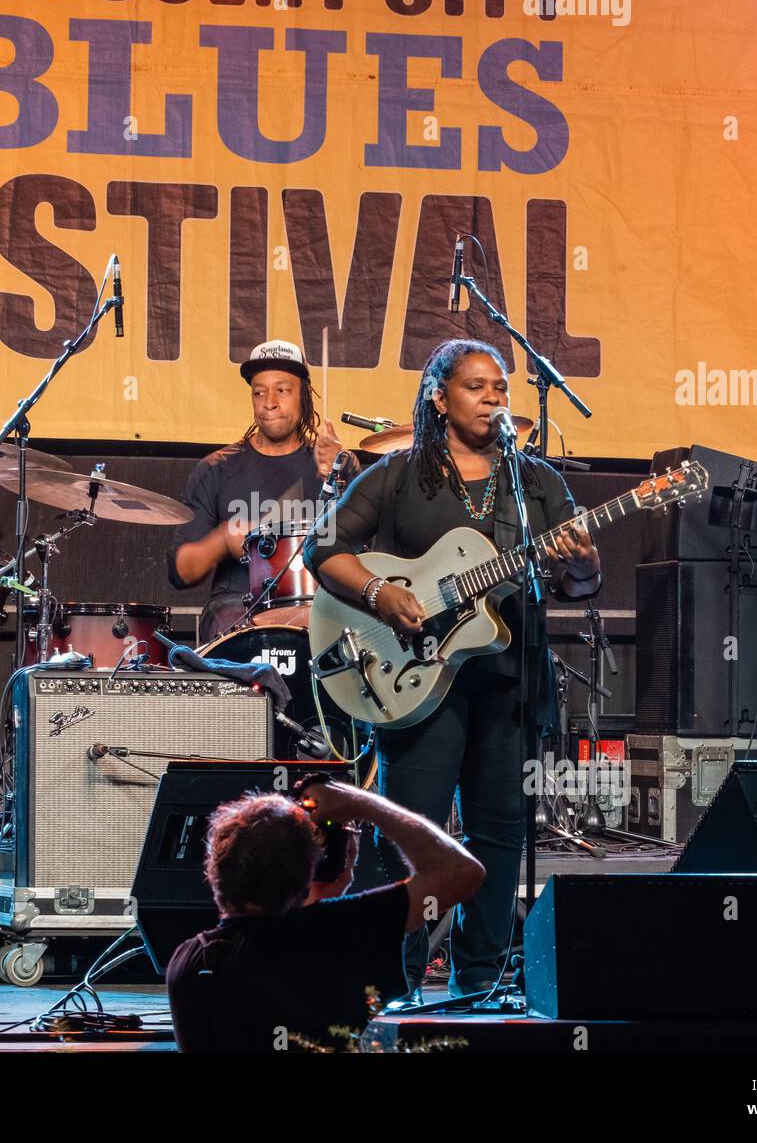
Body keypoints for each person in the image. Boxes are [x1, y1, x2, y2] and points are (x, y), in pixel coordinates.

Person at [302, 338, 602, 1001]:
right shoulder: (399, 474)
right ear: (440, 396)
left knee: (499, 830)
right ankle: (398, 974)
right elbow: (323, 546)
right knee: (412, 829)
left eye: (501, 386)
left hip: (508, 680)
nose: (495, 396)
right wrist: (382, 594)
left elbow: (579, 584)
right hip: (413, 680)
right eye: (477, 386)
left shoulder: (536, 484)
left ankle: (480, 976)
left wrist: (580, 561)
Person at [165, 780, 484, 1052]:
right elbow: (462, 871)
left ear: (214, 869)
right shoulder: (345, 931)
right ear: (309, 871)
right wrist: (362, 804)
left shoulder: (188, 961)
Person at [168, 340, 343, 643]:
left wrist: (339, 479)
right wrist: (223, 538)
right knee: (234, 625)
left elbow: (367, 555)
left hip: (320, 603)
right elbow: (180, 573)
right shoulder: (216, 469)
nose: (269, 402)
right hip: (237, 607)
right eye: (259, 391)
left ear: (303, 395)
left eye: (282, 390)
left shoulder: (335, 465)